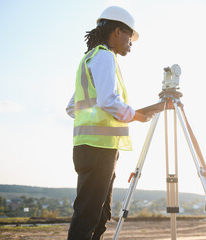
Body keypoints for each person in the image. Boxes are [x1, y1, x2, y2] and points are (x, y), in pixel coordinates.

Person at [65, 6, 153, 240]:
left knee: (98, 215)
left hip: (88, 147)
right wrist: (136, 115)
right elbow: (107, 100)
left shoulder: (89, 59)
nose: (130, 43)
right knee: (89, 217)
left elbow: (73, 107)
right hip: (99, 150)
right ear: (117, 31)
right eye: (129, 36)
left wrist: (96, 119)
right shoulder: (104, 56)